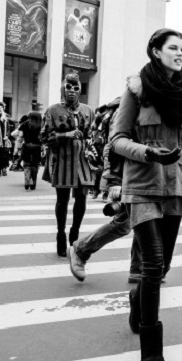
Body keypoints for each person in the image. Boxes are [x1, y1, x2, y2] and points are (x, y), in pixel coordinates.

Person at [110, 28, 182, 361]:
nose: (180, 53)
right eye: (173, 48)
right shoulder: (137, 89)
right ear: (156, 51)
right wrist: (148, 152)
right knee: (152, 262)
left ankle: (137, 301)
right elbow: (117, 139)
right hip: (141, 184)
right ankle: (152, 354)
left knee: (162, 266)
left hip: (177, 188)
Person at [67, 96, 143, 285]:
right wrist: (114, 181)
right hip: (130, 174)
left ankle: (139, 268)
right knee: (125, 223)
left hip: (144, 174)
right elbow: (113, 145)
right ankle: (81, 249)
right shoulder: (132, 106)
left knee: (143, 221)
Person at [40, 73, 96, 257]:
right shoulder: (53, 110)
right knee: (62, 200)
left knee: (81, 198)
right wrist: (66, 135)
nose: (72, 91)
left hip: (82, 160)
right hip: (62, 159)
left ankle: (75, 234)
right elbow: (43, 137)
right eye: (69, 87)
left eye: (76, 88)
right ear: (63, 88)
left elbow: (93, 136)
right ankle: (60, 234)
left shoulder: (88, 110)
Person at [18, 111, 42, 190]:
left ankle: (27, 178)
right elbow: (43, 137)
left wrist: (18, 147)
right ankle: (33, 183)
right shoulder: (41, 125)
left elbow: (20, 136)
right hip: (37, 147)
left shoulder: (24, 124)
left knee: (26, 164)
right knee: (35, 165)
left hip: (27, 146)